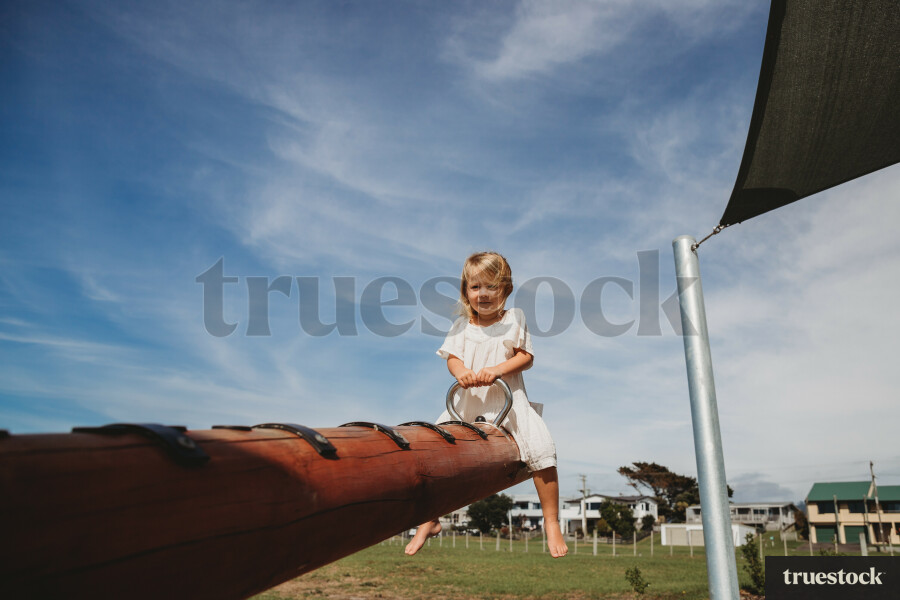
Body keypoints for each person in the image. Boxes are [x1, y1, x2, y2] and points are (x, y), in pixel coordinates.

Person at [405, 251, 569, 558]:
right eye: (475, 287)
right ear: (466, 291)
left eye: (491, 287)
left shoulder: (513, 319)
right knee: (432, 450)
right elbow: (452, 359)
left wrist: (496, 370)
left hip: (508, 402)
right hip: (467, 403)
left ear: (505, 290)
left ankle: (551, 521)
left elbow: (526, 356)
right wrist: (463, 373)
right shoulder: (461, 326)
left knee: (543, 449)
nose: (483, 294)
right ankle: (429, 518)